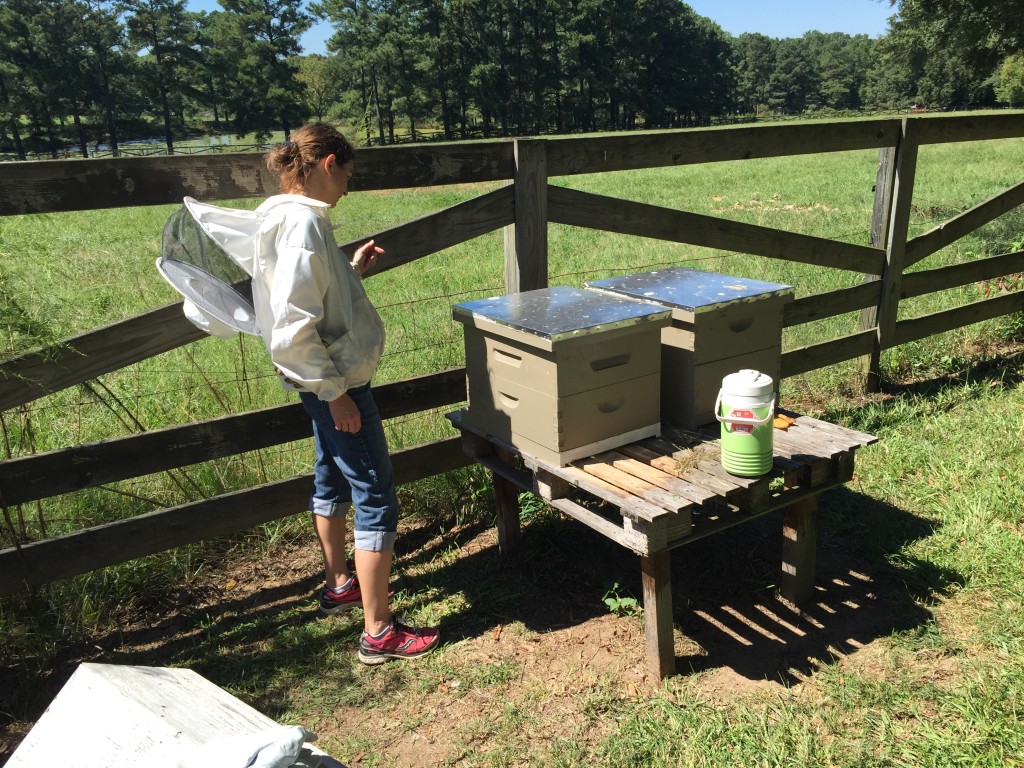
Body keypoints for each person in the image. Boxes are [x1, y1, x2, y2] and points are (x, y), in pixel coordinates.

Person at [194, 123, 439, 664]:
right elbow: (290, 324)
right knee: (375, 496)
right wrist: (335, 394)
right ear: (328, 164)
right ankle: (379, 632)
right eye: (347, 176)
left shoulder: (280, 218)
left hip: (320, 384)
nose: (347, 189)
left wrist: (351, 272)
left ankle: (340, 585)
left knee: (330, 476)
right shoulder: (303, 223)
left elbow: (305, 299)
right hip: (335, 384)